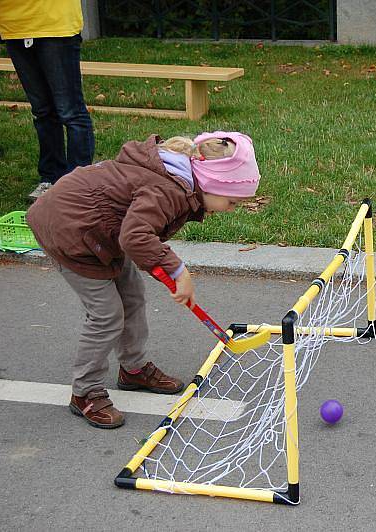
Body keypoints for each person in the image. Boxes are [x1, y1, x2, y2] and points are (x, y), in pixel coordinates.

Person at [27, 131, 261, 429]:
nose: (232, 208)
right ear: (212, 183)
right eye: (232, 201)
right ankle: (85, 392)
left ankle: (133, 369)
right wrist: (178, 271)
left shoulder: (180, 183)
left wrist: (164, 268)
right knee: (107, 316)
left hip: (103, 232)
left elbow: (137, 236)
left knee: (133, 296)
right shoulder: (168, 191)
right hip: (70, 233)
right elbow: (135, 237)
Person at [0, 0, 95, 199]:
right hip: (14, 27)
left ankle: (77, 184)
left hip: (55, 26)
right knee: (42, 111)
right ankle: (50, 178)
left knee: (70, 112)